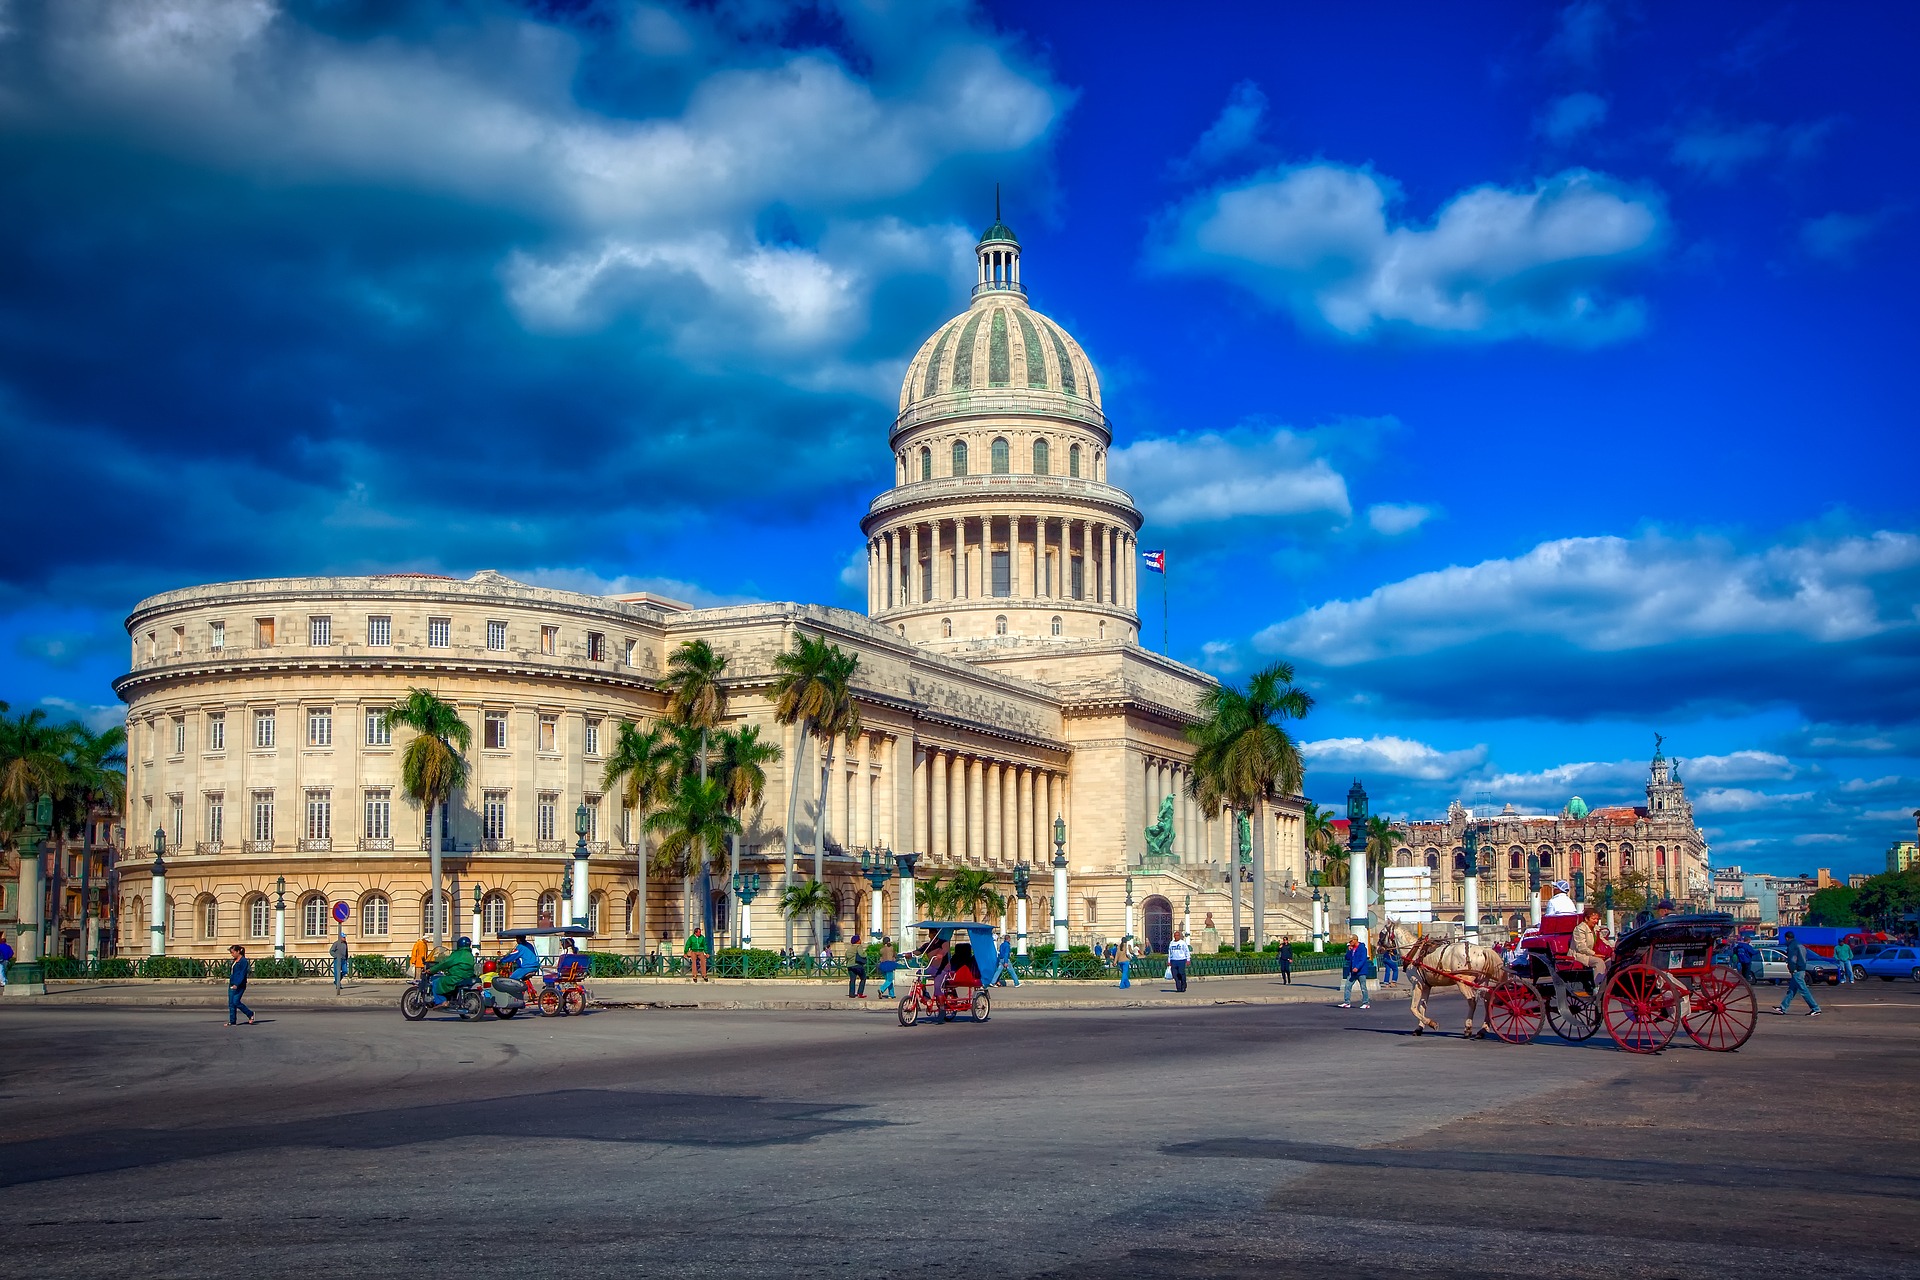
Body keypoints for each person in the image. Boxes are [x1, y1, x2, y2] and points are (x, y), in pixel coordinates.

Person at [1565, 907, 1608, 1010]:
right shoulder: (1579, 929)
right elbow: (1581, 947)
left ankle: (1607, 983)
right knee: (1598, 962)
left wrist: (1612, 949)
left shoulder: (1596, 929)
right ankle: (1598, 987)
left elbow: (1603, 941)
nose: (1595, 921)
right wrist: (1594, 954)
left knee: (1610, 961)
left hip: (1591, 953)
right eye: (1593, 919)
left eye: (1597, 919)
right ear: (1586, 919)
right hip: (1579, 955)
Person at [1772, 930, 1822, 1017]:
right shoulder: (1799, 944)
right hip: (1801, 968)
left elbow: (1792, 959)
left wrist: (1792, 969)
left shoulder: (1792, 946)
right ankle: (1783, 1007)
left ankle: (1815, 1008)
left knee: (1804, 990)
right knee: (1791, 990)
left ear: (1786, 938)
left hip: (1797, 971)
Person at [424, 935, 477, 1004]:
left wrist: (431, 970)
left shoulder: (457, 954)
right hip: (467, 977)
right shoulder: (470, 954)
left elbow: (445, 963)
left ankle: (442, 1001)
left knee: (436, 982)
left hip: (456, 977)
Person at [1340, 934, 1371, 1009]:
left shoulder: (1362, 948)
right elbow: (1347, 958)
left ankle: (1366, 1003)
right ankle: (1347, 1002)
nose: (1350, 943)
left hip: (1361, 971)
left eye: (1351, 941)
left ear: (1355, 940)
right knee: (1347, 986)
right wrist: (1349, 951)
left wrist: (1357, 967)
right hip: (1352, 971)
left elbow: (1363, 959)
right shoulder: (1352, 949)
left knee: (1363, 987)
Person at [227, 945, 254, 1026]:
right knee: (231, 1003)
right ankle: (232, 1021)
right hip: (232, 983)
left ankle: (250, 1014)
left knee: (236, 1001)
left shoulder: (243, 961)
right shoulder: (235, 960)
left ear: (238, 951)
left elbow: (242, 974)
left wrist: (237, 984)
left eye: (233, 952)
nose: (232, 954)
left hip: (239, 985)